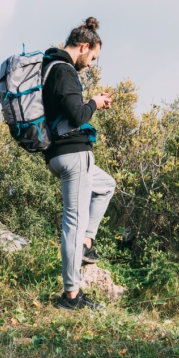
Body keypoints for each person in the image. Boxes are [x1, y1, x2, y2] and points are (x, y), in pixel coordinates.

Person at [42, 17, 116, 311]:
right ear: (84, 47)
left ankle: (86, 245)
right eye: (93, 57)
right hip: (73, 156)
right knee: (73, 223)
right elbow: (77, 116)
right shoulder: (64, 71)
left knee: (106, 185)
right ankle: (71, 297)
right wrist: (95, 102)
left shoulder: (49, 69)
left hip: (60, 155)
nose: (91, 64)